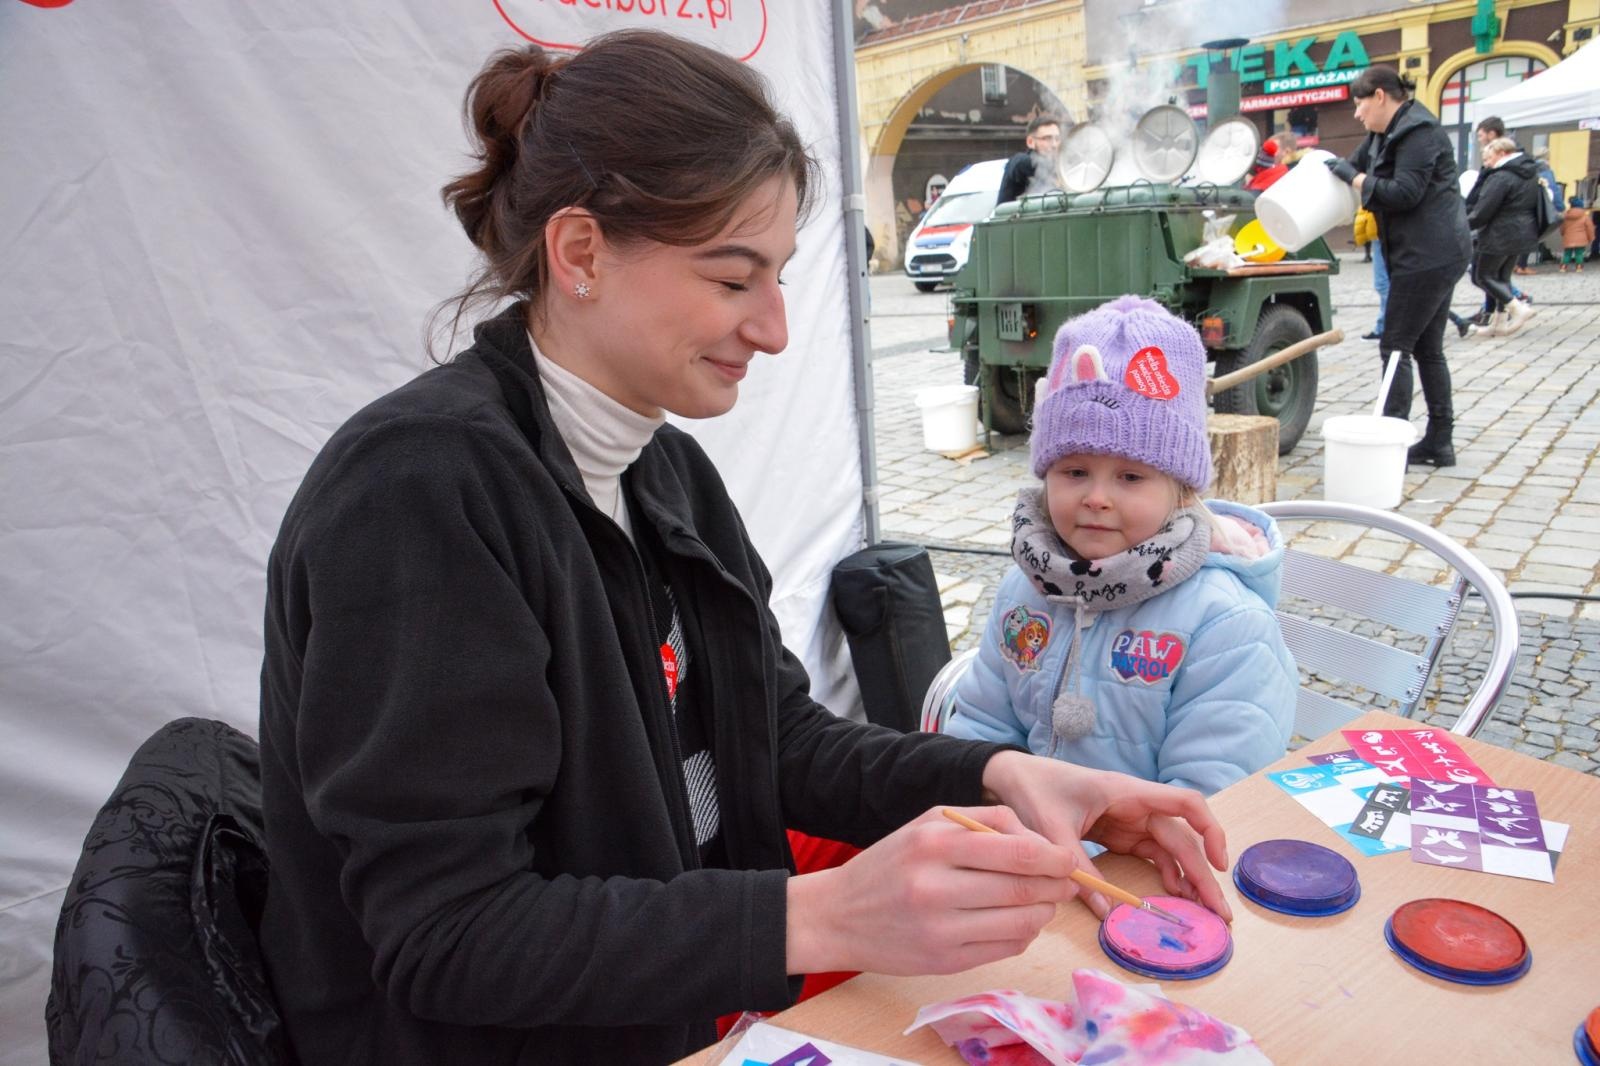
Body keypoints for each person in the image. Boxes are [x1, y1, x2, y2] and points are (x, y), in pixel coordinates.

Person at [256, 32, 1232, 1066]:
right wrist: (821, 916)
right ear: (579, 253)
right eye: (733, 281)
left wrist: (1001, 775)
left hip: (678, 1018)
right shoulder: (418, 495)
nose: (772, 329)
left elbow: (774, 738)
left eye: (778, 280)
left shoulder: (664, 471)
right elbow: (447, 937)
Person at [944, 296, 1297, 797]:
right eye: (1074, 471)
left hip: (1148, 847)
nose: (1096, 498)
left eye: (1130, 477)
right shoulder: (1024, 592)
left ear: (1181, 491)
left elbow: (1211, 795)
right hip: (1022, 834)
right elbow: (980, 729)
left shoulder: (1226, 625)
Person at [1324, 66, 1471, 469]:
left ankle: (1391, 446)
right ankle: (1440, 441)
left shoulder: (1420, 133)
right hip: (1422, 252)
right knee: (1427, 348)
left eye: (1360, 104)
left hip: (1430, 254)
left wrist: (1355, 179)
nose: (1357, 114)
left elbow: (1405, 192)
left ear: (1380, 96)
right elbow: (1346, 165)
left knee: (1395, 347)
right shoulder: (1382, 134)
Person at [1466, 136, 1541, 338]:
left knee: (1483, 276)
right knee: (1502, 278)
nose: (1487, 164)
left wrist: (1461, 226)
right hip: (1521, 233)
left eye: (1489, 158)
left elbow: (1483, 211)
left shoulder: (1501, 177)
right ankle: (1499, 323)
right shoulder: (1528, 173)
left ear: (1502, 154)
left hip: (1498, 234)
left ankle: (1517, 307)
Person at [996, 115, 1063, 205]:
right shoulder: (1021, 162)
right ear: (1030, 142)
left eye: (1057, 139)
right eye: (1047, 138)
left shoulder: (1062, 167)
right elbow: (1019, 163)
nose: (1054, 144)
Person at [1561, 196, 1593, 271]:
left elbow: (1562, 228)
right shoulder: (1585, 216)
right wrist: (1590, 238)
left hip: (1568, 238)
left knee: (1567, 253)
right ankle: (1579, 267)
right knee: (1579, 253)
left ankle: (1563, 267)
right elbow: (1590, 228)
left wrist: (1563, 234)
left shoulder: (1566, 216)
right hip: (1581, 239)